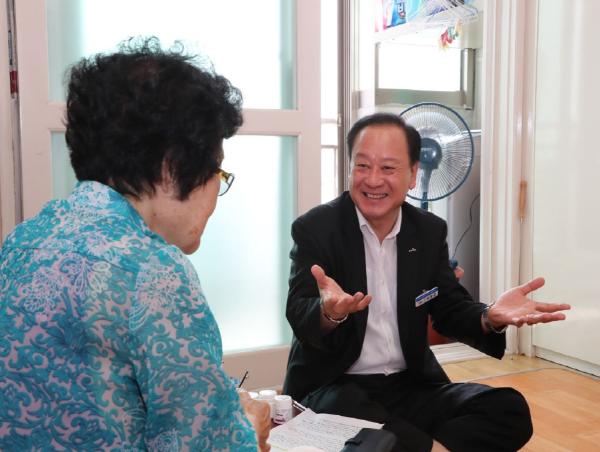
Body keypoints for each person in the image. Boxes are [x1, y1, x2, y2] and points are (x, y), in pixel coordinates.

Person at [0, 38, 271, 451]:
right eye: (216, 171)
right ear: (171, 168)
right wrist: (249, 426)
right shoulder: (153, 272)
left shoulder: (21, 242)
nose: (216, 191)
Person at [283, 112, 571, 452]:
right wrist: (329, 312)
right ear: (349, 169)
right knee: (350, 416)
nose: (373, 180)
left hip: (411, 385)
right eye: (362, 166)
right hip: (336, 386)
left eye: (388, 168)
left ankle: (403, 444)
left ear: (413, 174)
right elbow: (299, 311)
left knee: (509, 410)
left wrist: (488, 316)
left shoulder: (428, 231)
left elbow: (449, 308)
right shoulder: (316, 228)